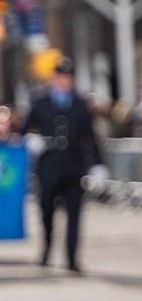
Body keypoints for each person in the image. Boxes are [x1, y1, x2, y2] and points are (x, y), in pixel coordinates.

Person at [22, 58, 103, 272]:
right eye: (62, 77)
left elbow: (91, 137)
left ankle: (72, 258)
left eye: (69, 77)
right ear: (55, 78)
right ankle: (47, 248)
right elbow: (25, 129)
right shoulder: (40, 102)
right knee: (46, 210)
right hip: (48, 167)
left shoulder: (80, 104)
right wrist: (31, 140)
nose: (65, 81)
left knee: (75, 214)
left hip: (74, 167)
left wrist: (98, 164)